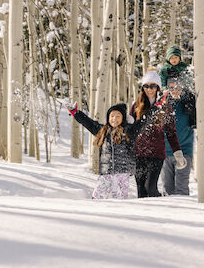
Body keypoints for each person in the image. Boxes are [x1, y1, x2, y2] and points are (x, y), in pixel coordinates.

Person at [66, 102, 145, 199]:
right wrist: (75, 113)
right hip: (106, 171)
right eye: (112, 116)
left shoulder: (128, 131)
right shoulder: (103, 130)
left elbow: (142, 122)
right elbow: (88, 122)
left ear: (123, 118)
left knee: (119, 198)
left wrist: (156, 107)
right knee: (98, 196)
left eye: (118, 116)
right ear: (108, 118)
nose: (114, 119)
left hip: (122, 173)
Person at [130, 69, 187, 198]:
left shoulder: (166, 107)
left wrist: (178, 153)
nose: (149, 89)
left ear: (158, 87)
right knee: (141, 190)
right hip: (139, 152)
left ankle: (160, 200)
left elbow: (171, 133)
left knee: (150, 188)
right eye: (146, 86)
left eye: (153, 86)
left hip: (156, 153)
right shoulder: (136, 106)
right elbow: (130, 130)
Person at [160, 77, 196, 195]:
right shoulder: (163, 103)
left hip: (184, 151)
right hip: (165, 152)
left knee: (181, 188)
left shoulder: (188, 104)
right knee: (167, 188)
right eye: (171, 88)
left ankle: (184, 211)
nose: (175, 91)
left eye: (177, 88)